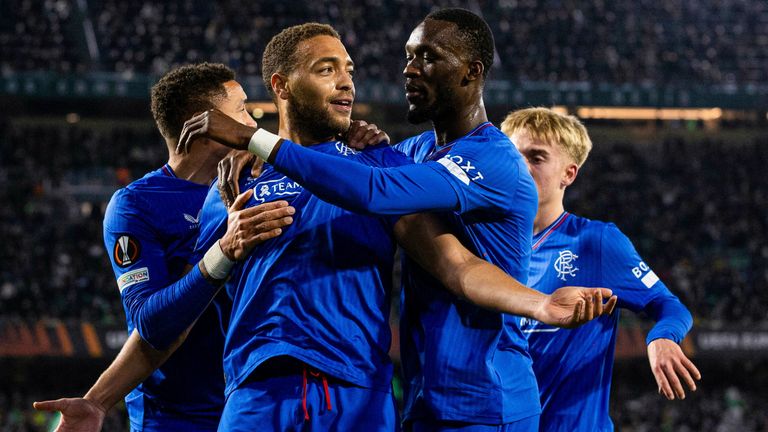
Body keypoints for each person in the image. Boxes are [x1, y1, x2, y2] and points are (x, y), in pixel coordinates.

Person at [179, 9, 589, 432]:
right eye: (409, 57)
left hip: (486, 397)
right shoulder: (409, 154)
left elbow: (440, 250)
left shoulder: (494, 157)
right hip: (423, 397)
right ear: (282, 86)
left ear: (472, 72)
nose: (409, 70)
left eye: (427, 58)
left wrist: (255, 140)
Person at [33, 63, 296, 432]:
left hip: (259, 410)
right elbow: (152, 324)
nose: (251, 123)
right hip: (175, 420)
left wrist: (363, 141)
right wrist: (222, 250)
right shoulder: (137, 204)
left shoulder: (268, 183)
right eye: (240, 110)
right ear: (203, 121)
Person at [500, 107, 701, 431]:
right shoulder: (484, 245)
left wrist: (662, 337)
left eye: (536, 158)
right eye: (513, 154)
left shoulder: (595, 242)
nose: (521, 166)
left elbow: (670, 306)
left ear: (569, 174)